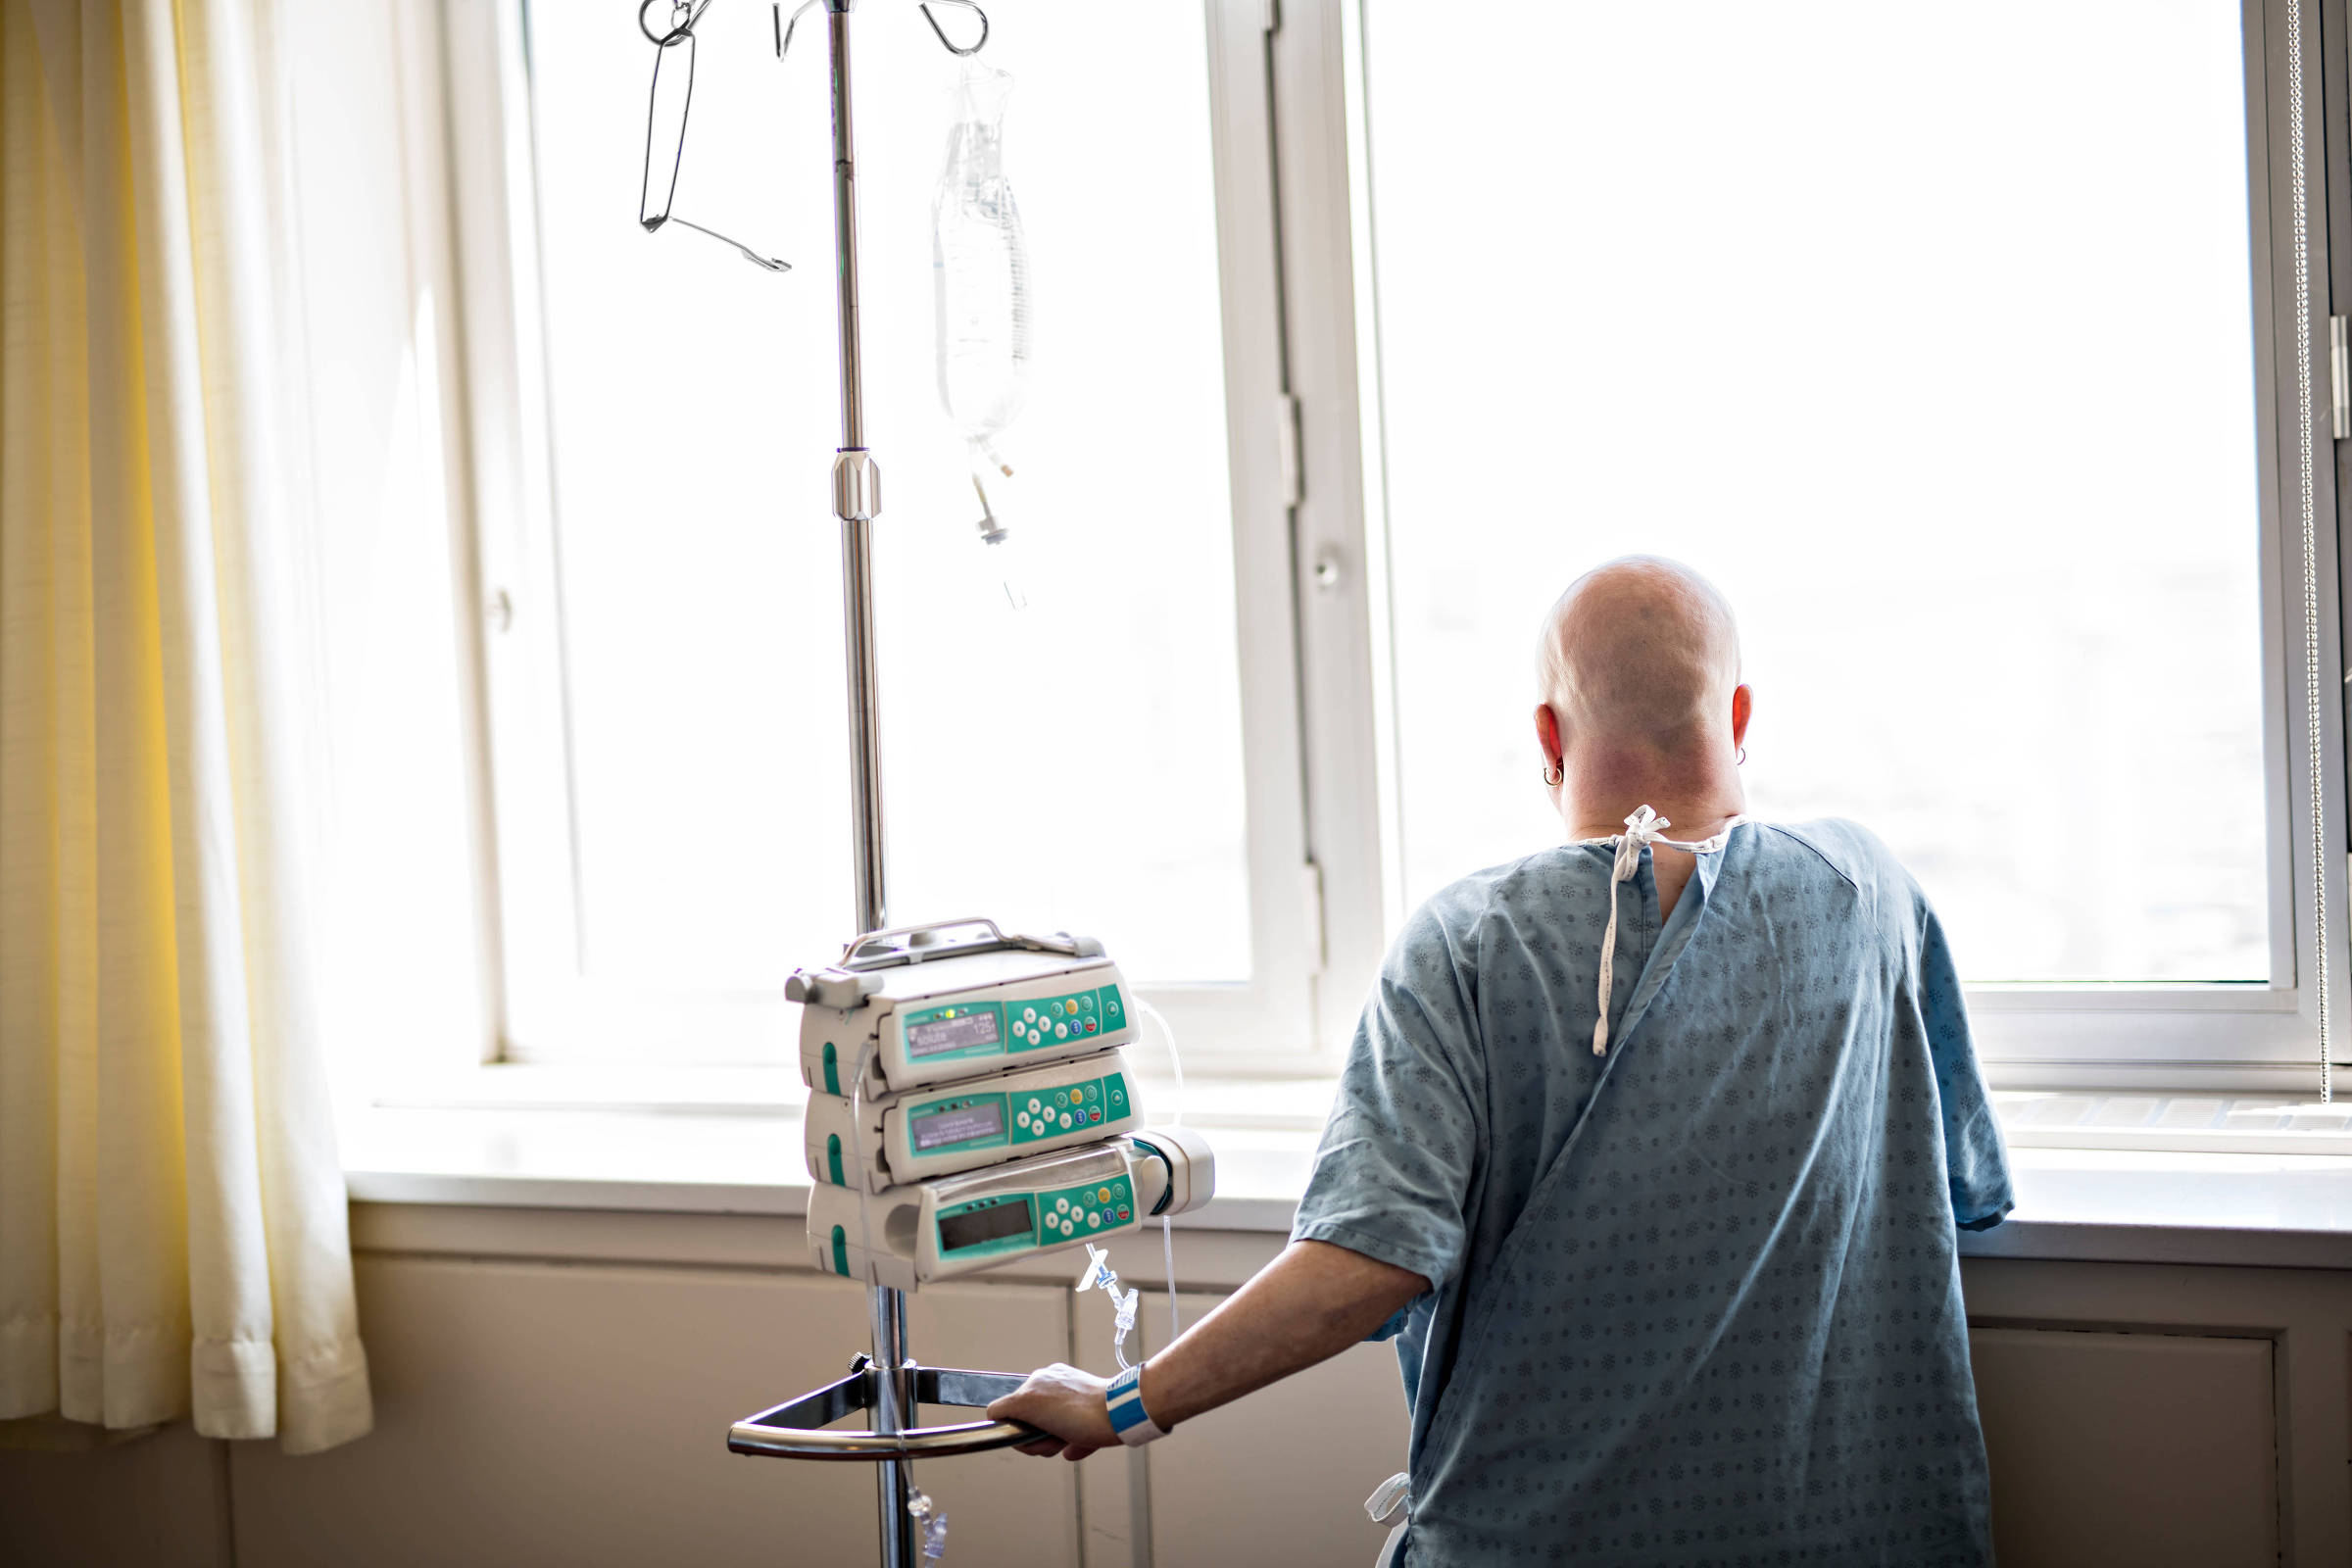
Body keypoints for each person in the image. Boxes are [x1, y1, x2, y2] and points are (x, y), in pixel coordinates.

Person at [991, 556, 2013, 1565]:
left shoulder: (1471, 943)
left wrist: (1118, 1402)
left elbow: (1368, 1261)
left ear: (1548, 739)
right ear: (1739, 717)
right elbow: (1962, 1189)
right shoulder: (1870, 890)